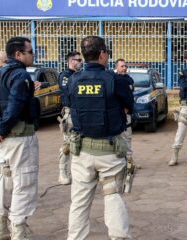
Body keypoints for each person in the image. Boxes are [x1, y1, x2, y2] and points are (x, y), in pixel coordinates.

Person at [67, 36, 134, 240]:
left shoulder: (73, 80)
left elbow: (69, 103)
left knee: (79, 202)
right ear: (103, 54)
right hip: (110, 152)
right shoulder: (116, 80)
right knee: (112, 198)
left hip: (81, 151)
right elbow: (130, 106)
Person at [0, 37, 40, 239]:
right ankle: (18, 232)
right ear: (18, 54)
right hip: (19, 137)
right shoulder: (20, 75)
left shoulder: (2, 73)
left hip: (6, 140)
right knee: (24, 184)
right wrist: (2, 129)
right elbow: (14, 106)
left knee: (6, 182)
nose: (33, 54)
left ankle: (2, 228)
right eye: (30, 51)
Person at [57, 51, 83, 185]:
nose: (81, 62)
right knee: (67, 144)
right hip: (70, 112)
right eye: (78, 60)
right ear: (71, 61)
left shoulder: (79, 75)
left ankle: (76, 173)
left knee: (79, 144)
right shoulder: (65, 76)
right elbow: (68, 94)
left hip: (80, 112)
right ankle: (62, 173)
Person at [114, 58, 139, 168]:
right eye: (122, 66)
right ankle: (126, 162)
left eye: (125, 66)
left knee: (128, 137)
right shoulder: (115, 79)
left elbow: (130, 95)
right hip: (120, 114)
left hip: (128, 113)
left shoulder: (129, 79)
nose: (124, 68)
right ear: (116, 67)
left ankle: (129, 160)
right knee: (122, 137)